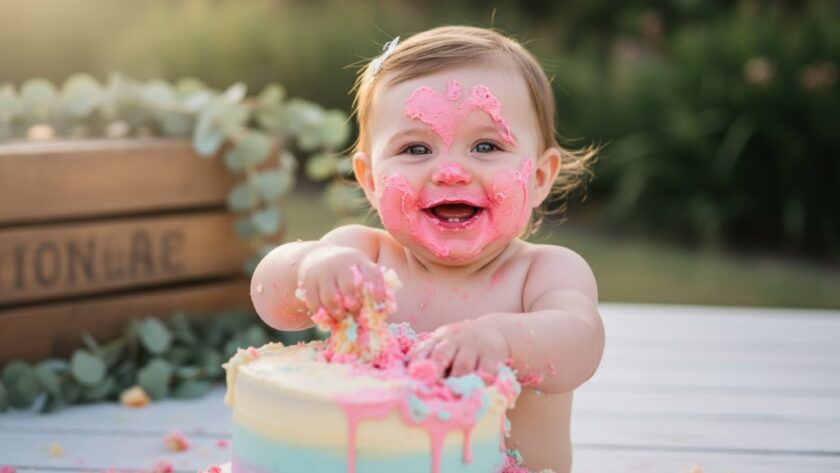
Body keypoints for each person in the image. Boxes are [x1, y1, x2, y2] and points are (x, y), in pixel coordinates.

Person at [250, 25, 604, 473]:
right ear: (371, 180)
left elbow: (581, 345)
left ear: (538, 177)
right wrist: (311, 266)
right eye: (417, 148)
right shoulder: (363, 259)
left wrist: (502, 340)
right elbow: (269, 300)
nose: (451, 171)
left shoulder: (544, 273)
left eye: (486, 145)